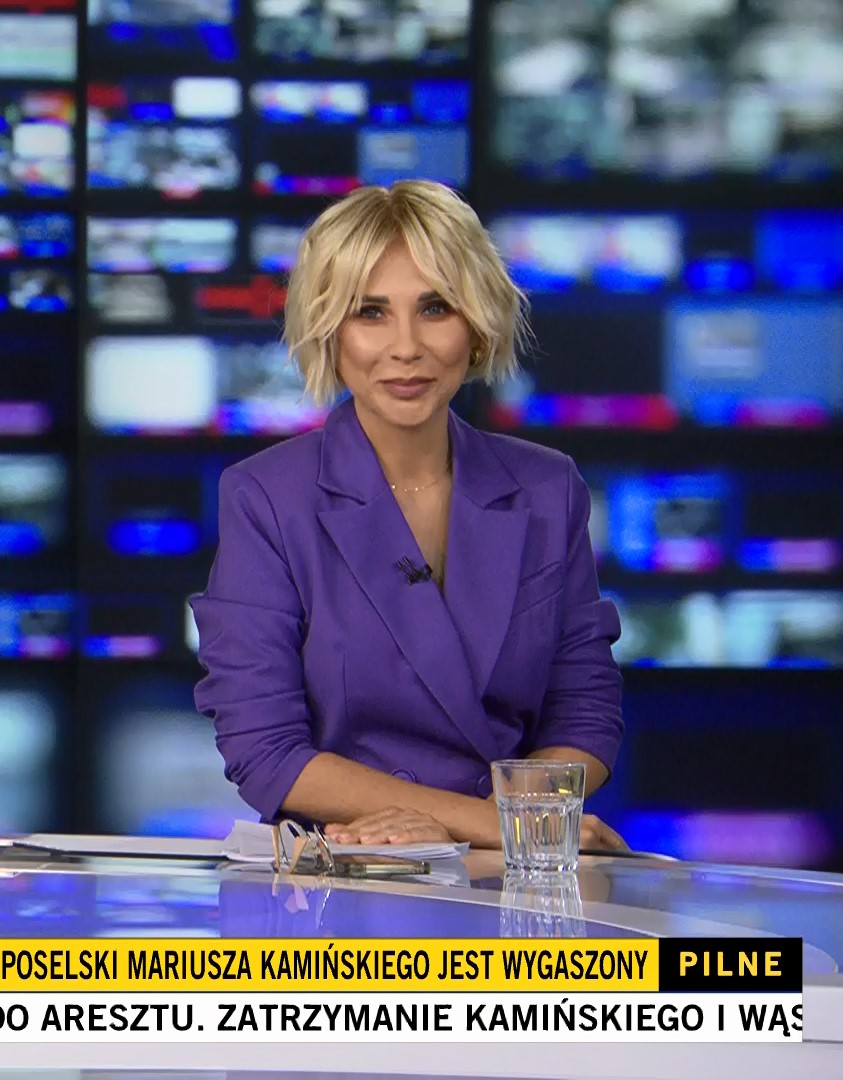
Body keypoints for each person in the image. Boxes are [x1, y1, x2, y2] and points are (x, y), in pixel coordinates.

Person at [189, 180, 628, 852]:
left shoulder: (548, 489)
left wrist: (501, 827)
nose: (406, 346)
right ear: (330, 330)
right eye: (370, 312)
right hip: (345, 879)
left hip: (512, 879)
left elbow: (585, 713)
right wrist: (495, 824)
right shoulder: (266, 498)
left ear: (476, 325)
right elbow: (264, 748)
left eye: (435, 308)